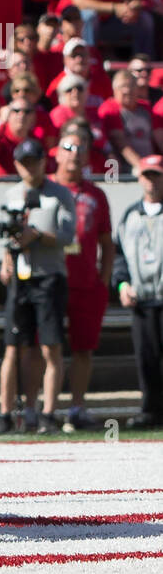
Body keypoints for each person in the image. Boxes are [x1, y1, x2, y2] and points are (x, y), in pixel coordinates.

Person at [0, 137, 78, 437]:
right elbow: (6, 236)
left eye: (34, 161)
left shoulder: (60, 194)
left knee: (50, 346)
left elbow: (68, 236)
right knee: (13, 347)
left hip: (49, 275)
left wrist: (36, 235)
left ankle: (48, 414)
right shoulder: (11, 194)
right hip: (20, 278)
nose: (29, 167)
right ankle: (6, 415)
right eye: (23, 163)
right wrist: (6, 259)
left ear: (44, 162)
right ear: (17, 164)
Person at [51, 124, 113, 432]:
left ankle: (75, 408)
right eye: (69, 148)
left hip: (86, 283)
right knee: (46, 346)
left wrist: (103, 280)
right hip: (49, 281)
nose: (75, 155)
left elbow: (106, 242)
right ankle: (43, 409)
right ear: (57, 153)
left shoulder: (96, 195)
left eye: (81, 148)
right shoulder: (45, 188)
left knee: (83, 348)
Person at [112, 153, 163, 429]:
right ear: (140, 179)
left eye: (157, 175)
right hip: (142, 298)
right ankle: (151, 410)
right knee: (146, 357)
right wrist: (122, 284)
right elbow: (119, 254)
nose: (152, 182)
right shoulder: (130, 214)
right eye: (148, 175)